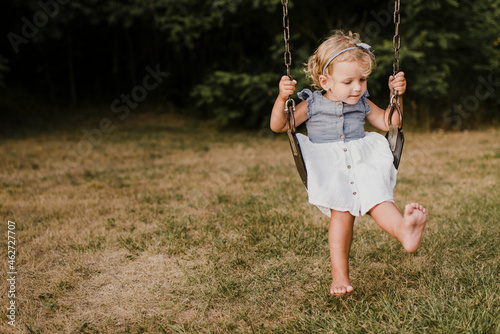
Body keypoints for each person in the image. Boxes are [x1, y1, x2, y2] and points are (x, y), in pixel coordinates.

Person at [270, 30, 427, 296]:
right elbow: (280, 125)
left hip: (361, 158)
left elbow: (391, 122)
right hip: (330, 165)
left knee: (379, 198)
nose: (358, 87)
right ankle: (339, 276)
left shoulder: (362, 102)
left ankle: (404, 231)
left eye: (363, 79)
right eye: (349, 81)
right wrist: (282, 98)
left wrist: (396, 96)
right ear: (325, 81)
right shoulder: (312, 103)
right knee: (342, 214)